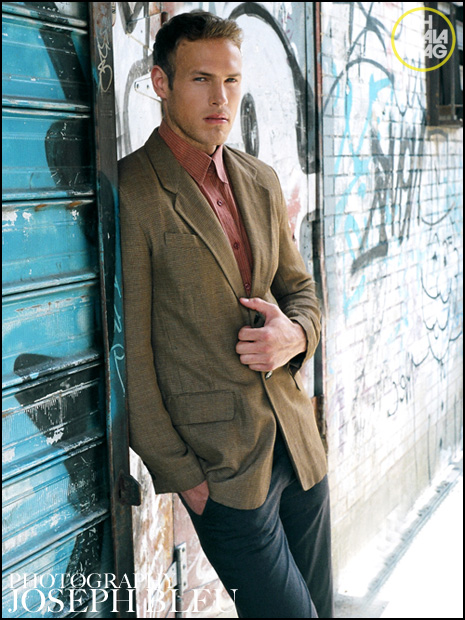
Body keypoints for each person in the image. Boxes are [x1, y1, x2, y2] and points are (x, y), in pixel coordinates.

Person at [118, 10, 334, 619]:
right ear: (161, 83)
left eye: (232, 81)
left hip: (299, 448)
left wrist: (296, 335)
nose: (221, 99)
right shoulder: (133, 192)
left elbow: (301, 290)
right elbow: (132, 354)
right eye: (202, 79)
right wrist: (182, 475)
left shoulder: (259, 180)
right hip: (223, 472)